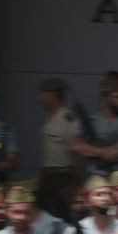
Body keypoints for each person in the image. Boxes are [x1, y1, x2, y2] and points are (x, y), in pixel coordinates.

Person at [36, 78, 83, 220]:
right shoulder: (50, 119)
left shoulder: (67, 119)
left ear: (53, 95)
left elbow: (76, 151)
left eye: (42, 94)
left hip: (63, 178)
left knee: (61, 218)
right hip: (49, 177)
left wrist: (75, 183)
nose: (39, 98)